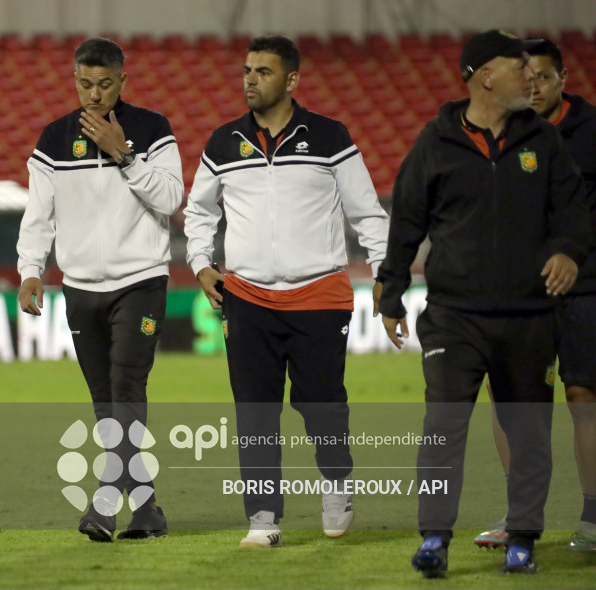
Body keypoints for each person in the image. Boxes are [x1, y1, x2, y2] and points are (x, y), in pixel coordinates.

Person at [376, 30, 592, 577]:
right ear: (484, 75)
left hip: (529, 316)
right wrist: (392, 290)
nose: (529, 74)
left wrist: (567, 251)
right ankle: (434, 537)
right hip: (454, 316)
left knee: (528, 431)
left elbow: (574, 212)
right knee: (443, 425)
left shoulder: (543, 141)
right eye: (517, 65)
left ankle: (522, 535)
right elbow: (406, 221)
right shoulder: (436, 142)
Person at [184, 35, 390, 547]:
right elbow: (199, 212)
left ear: (292, 80)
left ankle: (337, 484)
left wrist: (386, 270)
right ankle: (262, 517)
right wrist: (200, 262)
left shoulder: (329, 136)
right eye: (247, 70)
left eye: (263, 71)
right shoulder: (223, 141)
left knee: (322, 404)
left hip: (319, 294)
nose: (250, 79)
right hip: (247, 296)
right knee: (254, 409)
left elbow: (367, 212)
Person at [16, 37, 184, 542]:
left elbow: (173, 197)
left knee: (127, 389)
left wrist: (124, 155)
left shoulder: (152, 130)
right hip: (80, 288)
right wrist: (29, 270)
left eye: (104, 85)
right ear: (75, 80)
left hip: (141, 282)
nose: (94, 94)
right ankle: (148, 509)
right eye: (85, 84)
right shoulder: (52, 140)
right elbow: (37, 216)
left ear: (122, 82)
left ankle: (106, 503)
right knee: (104, 398)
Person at [473, 38, 596, 553]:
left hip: (587, 287)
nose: (534, 86)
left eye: (544, 77)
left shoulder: (592, 131)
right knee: (511, 405)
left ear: (564, 78)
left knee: (583, 397)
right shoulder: (501, 133)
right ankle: (520, 515)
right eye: (527, 77)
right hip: (520, 294)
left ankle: (592, 518)